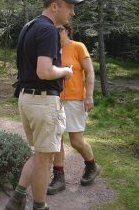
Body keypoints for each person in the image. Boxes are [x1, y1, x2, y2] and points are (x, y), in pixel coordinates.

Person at [5, 0, 84, 210]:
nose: (72, 13)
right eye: (69, 7)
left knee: (39, 154)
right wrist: (66, 71)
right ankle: (40, 206)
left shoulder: (29, 27)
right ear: (54, 6)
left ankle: (17, 198)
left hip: (27, 99)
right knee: (45, 159)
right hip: (43, 102)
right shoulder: (49, 30)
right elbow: (44, 71)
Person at [46, 23, 101, 195]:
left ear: (68, 31)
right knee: (57, 141)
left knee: (76, 141)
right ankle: (59, 177)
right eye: (54, 30)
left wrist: (89, 96)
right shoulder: (50, 50)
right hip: (54, 99)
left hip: (75, 100)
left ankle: (92, 166)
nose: (57, 32)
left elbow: (90, 72)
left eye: (60, 29)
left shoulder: (78, 47)